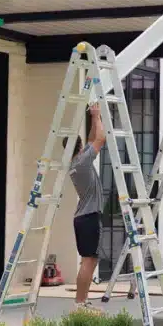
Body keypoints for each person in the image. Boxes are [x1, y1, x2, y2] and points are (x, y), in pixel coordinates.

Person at [68, 103, 106, 311]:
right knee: (89, 261)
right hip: (89, 216)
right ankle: (80, 302)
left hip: (83, 217)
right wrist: (97, 115)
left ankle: (82, 301)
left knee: (89, 260)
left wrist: (93, 118)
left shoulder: (76, 162)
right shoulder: (82, 162)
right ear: (80, 147)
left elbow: (93, 139)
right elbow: (100, 139)